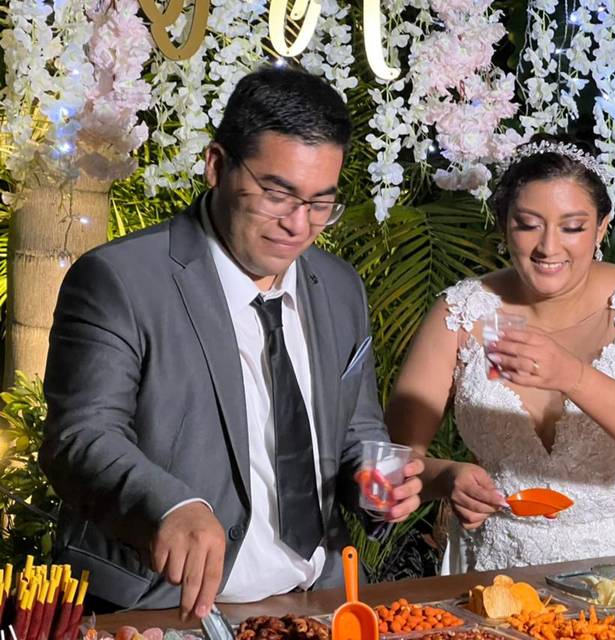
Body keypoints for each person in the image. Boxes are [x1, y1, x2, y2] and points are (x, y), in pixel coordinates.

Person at [39, 67, 424, 617]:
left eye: (320, 203)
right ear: (217, 165)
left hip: (313, 602)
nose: (298, 224)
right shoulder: (119, 279)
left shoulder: (340, 288)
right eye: (276, 193)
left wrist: (375, 480)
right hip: (162, 610)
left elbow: (356, 428)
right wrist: (170, 504)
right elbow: (79, 438)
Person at [386, 137, 615, 573]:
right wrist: (446, 478)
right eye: (529, 224)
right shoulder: (463, 313)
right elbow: (394, 460)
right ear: (503, 224)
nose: (549, 248)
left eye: (572, 227)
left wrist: (570, 374)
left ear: (602, 227)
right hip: (506, 558)